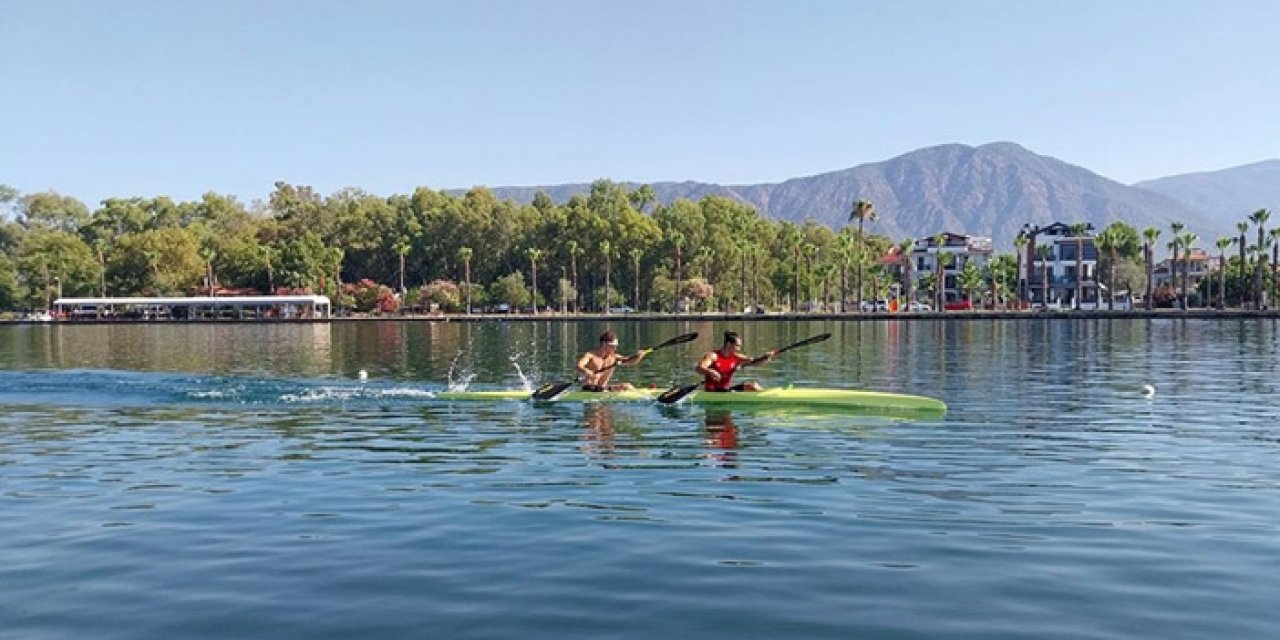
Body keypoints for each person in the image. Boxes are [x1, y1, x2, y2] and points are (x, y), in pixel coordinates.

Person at [695, 331, 778, 392]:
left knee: (752, 386)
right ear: (728, 344)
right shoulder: (713, 356)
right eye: (737, 346)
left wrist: (766, 357)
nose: (739, 349)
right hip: (713, 392)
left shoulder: (737, 357)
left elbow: (755, 362)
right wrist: (710, 371)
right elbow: (698, 368)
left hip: (726, 391)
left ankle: (769, 396)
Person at [577, 330, 647, 392]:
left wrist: (639, 356)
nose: (615, 349)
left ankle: (643, 396)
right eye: (613, 346)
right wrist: (586, 371)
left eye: (616, 346)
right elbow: (579, 366)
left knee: (627, 386)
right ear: (604, 344)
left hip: (603, 389)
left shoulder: (614, 357)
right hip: (589, 389)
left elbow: (631, 362)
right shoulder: (590, 355)